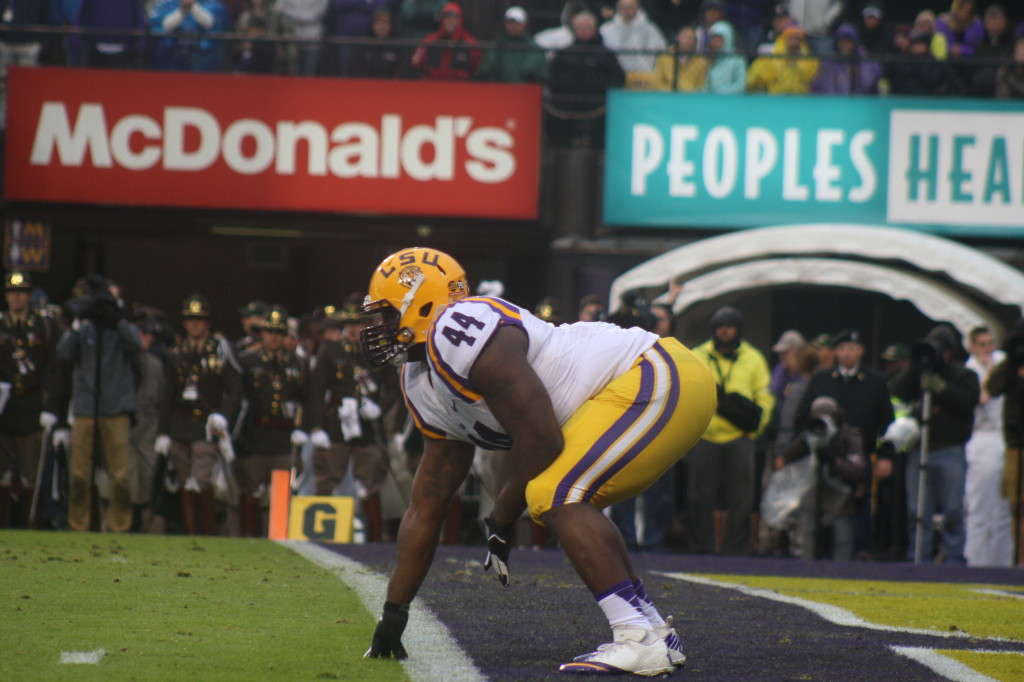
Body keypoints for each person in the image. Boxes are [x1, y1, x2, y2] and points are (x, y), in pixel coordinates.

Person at [360, 247, 715, 674]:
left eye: (386, 313)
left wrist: (502, 517)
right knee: (564, 495)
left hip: (654, 372)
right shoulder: (420, 381)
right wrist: (394, 612)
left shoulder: (454, 328)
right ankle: (653, 630)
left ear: (420, 302)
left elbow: (542, 438)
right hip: (653, 383)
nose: (378, 327)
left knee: (555, 494)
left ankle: (635, 637)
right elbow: (427, 503)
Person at [794, 329, 894, 557]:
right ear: (835, 352)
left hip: (858, 459)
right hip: (821, 457)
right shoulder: (821, 379)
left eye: (852, 348)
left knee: (856, 508)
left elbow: (887, 423)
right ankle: (816, 555)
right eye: (843, 349)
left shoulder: (875, 382)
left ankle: (854, 555)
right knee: (817, 507)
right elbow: (801, 418)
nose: (847, 353)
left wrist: (886, 456)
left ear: (861, 351)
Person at [56, 275, 141, 533]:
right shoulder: (84, 328)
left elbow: (136, 345)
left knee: (120, 475)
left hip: (116, 406)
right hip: (85, 405)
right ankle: (78, 525)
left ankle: (119, 526)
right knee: (79, 474)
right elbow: (63, 352)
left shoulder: (120, 327)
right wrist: (79, 322)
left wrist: (119, 320)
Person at [688, 306, 774, 555]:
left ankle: (737, 550)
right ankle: (699, 549)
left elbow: (765, 397)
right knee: (699, 497)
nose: (724, 332)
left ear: (739, 330)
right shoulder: (698, 355)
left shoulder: (754, 358)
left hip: (739, 437)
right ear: (713, 330)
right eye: (720, 327)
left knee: (742, 498)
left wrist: (754, 432)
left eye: (729, 327)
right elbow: (687, 393)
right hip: (705, 435)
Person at [890, 324, 979, 564]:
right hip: (919, 449)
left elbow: (968, 401)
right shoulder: (918, 372)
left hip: (950, 449)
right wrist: (914, 367)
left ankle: (954, 560)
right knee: (917, 511)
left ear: (949, 353)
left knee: (953, 510)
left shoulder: (964, 375)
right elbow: (896, 391)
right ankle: (919, 558)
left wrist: (943, 388)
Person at [306, 301, 393, 542]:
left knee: (371, 481)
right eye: (350, 324)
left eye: (359, 323)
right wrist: (316, 427)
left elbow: (393, 387)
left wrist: (380, 408)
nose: (354, 329)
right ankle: (319, 535)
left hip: (367, 426)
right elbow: (316, 390)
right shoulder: (331, 350)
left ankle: (374, 537)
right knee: (327, 477)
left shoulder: (377, 350)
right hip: (336, 422)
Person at [156, 294, 242, 536]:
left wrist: (224, 416)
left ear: (207, 323)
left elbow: (234, 389)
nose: (194, 324)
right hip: (180, 423)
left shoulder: (220, 349)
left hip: (207, 423)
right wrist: (163, 431)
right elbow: (167, 394)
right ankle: (191, 531)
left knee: (201, 477)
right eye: (190, 319)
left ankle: (208, 531)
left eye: (199, 319)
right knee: (185, 479)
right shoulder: (177, 351)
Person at [230, 305, 307, 537]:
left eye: (279, 332)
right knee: (250, 489)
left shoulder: (296, 362)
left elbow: (305, 398)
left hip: (283, 435)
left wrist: (303, 427)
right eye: (270, 331)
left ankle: (277, 538)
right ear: (262, 333)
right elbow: (236, 397)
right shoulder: (247, 361)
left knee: (281, 491)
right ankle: (247, 539)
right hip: (255, 434)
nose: (274, 337)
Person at [776, 396, 866, 561]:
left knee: (842, 538)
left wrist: (834, 461)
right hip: (814, 493)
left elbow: (857, 469)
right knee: (809, 535)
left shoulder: (848, 435)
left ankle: (842, 570)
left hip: (841, 496)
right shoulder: (810, 435)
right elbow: (784, 458)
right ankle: (808, 569)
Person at [0, 272, 57, 529]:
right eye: (12, 292)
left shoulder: (42, 325)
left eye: (21, 292)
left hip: (32, 405)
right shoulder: (1, 324)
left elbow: (52, 368)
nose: (17, 297)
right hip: (4, 407)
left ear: (29, 295)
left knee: (31, 472)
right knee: (2, 471)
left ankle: (31, 526)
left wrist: (50, 407)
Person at [963, 327, 1012, 566]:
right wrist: (990, 370)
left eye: (990, 343)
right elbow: (983, 398)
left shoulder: (1003, 360)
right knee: (980, 505)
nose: (988, 349)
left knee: (1004, 508)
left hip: (1007, 435)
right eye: (982, 344)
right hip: (982, 435)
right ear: (972, 347)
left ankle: (1002, 563)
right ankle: (977, 562)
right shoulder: (970, 369)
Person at [547, 10, 626, 148]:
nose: (584, 31)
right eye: (580, 28)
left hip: (598, 102)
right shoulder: (563, 53)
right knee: (551, 116)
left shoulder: (606, 54)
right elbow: (552, 78)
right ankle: (561, 153)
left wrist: (599, 87)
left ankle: (598, 154)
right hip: (567, 101)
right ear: (574, 29)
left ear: (594, 29)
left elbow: (618, 78)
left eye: (587, 28)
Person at [128, 312, 166, 533]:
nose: (147, 337)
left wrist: (162, 433)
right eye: (143, 332)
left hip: (148, 431)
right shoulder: (121, 359)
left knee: (148, 484)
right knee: (124, 483)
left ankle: (146, 529)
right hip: (125, 429)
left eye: (150, 333)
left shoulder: (155, 364)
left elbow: (161, 401)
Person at [0, 0, 54, 130]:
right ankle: (2, 127)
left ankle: (26, 125)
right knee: (2, 87)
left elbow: (48, 18)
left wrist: (42, 44)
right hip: (4, 44)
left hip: (30, 45)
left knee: (28, 88)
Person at [150, 0, 232, 72]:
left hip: (201, 59)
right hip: (172, 57)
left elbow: (210, 23)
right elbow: (164, 26)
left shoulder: (213, 5)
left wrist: (193, 7)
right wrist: (182, 11)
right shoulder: (167, 4)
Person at [410, 2, 481, 80]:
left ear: (460, 20)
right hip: (432, 84)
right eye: (447, 18)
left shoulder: (470, 44)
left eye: (454, 18)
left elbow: (476, 69)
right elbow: (415, 63)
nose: (450, 21)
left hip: (459, 85)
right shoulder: (429, 41)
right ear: (442, 20)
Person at [477, 6, 548, 84]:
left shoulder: (533, 48)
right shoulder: (496, 45)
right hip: (499, 89)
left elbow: (541, 76)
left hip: (525, 89)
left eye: (516, 23)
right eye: (509, 22)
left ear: (524, 24)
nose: (512, 26)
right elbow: (485, 71)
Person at [70, 0, 148, 69]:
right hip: (96, 49)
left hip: (123, 51)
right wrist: (75, 36)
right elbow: (79, 16)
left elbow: (139, 19)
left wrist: (140, 42)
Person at [810, 23, 881, 94]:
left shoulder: (863, 59)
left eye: (848, 41)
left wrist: (858, 76)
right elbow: (818, 86)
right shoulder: (829, 61)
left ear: (854, 43)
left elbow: (869, 85)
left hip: (857, 99)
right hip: (832, 99)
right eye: (842, 41)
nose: (845, 45)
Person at [746, 25, 819, 94]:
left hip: (801, 98)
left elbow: (815, 80)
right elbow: (752, 81)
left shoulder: (810, 61)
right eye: (791, 38)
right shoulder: (769, 60)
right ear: (784, 40)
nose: (795, 42)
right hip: (776, 98)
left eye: (798, 39)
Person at [599, 0, 667, 74]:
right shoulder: (606, 29)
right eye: (623, 7)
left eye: (630, 7)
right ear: (618, 8)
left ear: (637, 8)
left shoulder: (650, 29)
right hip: (615, 75)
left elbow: (660, 51)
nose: (626, 10)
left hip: (644, 74)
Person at [234, 0, 297, 74]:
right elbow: (238, 40)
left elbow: (288, 41)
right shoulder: (244, 17)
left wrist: (290, 63)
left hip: (274, 59)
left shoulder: (277, 16)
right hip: (250, 59)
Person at [327, 0, 388, 76]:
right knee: (346, 70)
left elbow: (380, 5)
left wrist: (354, 5)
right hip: (345, 39)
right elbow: (337, 4)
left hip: (367, 39)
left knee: (367, 71)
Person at [351, 10, 413, 79]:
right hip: (367, 82)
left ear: (390, 27)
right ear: (373, 26)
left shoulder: (397, 46)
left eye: (384, 24)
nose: (381, 27)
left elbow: (404, 69)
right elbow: (354, 68)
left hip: (390, 82)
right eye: (378, 24)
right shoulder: (364, 45)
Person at [971, 4, 1014, 96]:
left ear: (1005, 22)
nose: (994, 22)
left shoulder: (1012, 43)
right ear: (985, 23)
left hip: (1007, 93)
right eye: (991, 19)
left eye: (997, 19)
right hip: (982, 92)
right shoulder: (980, 45)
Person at [276, 0, 329, 76]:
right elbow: (280, 7)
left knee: (309, 71)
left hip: (313, 37)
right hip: (291, 38)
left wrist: (297, 16)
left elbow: (318, 13)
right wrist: (297, 15)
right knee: (290, 72)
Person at [652, 25, 708, 91]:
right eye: (684, 37)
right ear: (678, 38)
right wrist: (671, 91)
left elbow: (702, 86)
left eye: (690, 38)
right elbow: (657, 82)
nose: (687, 41)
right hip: (667, 95)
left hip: (690, 96)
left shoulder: (701, 61)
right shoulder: (664, 57)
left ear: (695, 42)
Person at [703, 19, 746, 93]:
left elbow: (741, 84)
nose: (714, 42)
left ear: (727, 39)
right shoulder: (709, 57)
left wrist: (722, 92)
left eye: (718, 39)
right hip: (711, 98)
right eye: (713, 39)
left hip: (731, 98)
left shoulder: (737, 58)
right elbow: (707, 84)